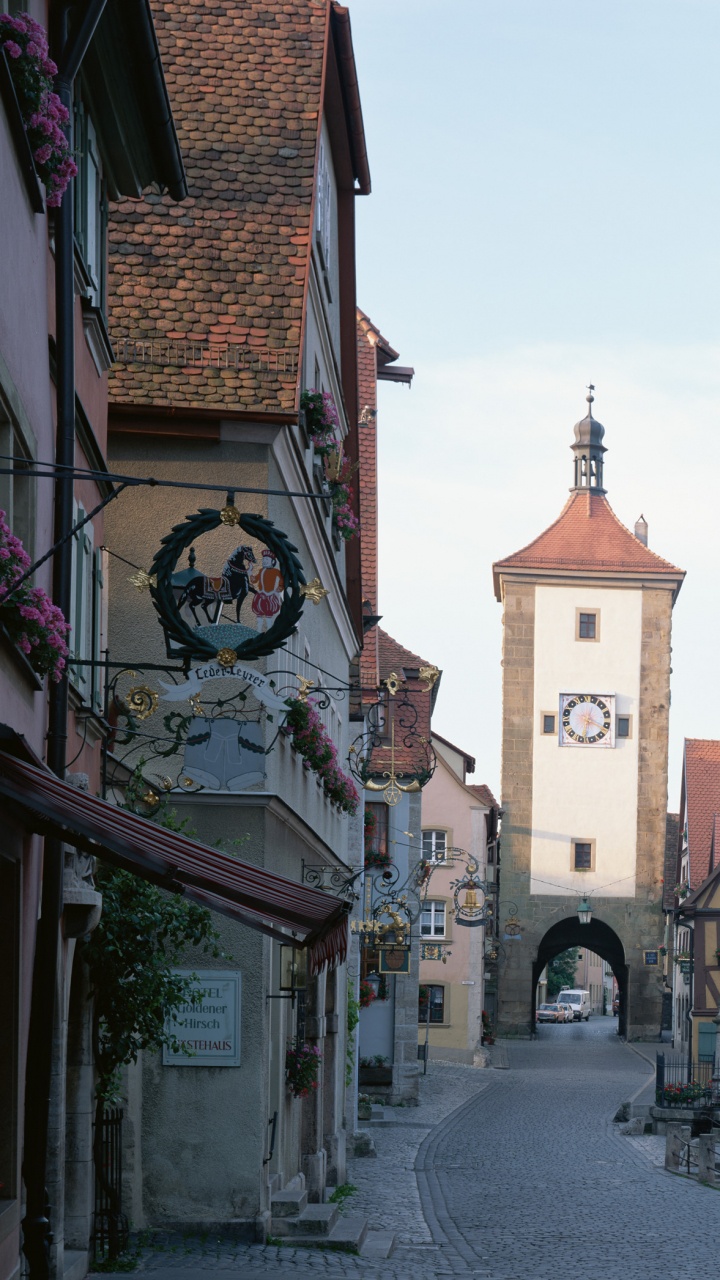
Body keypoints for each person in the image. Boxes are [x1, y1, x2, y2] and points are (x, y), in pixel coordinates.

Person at [250, 548, 284, 632]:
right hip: (261, 595)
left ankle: (269, 631)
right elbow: (254, 580)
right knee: (259, 613)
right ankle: (258, 631)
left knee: (269, 614)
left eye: (267, 559)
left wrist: (279, 588)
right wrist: (250, 572)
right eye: (263, 559)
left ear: (272, 561)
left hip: (270, 595)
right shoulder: (261, 570)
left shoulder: (276, 571)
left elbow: (282, 581)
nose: (264, 561)